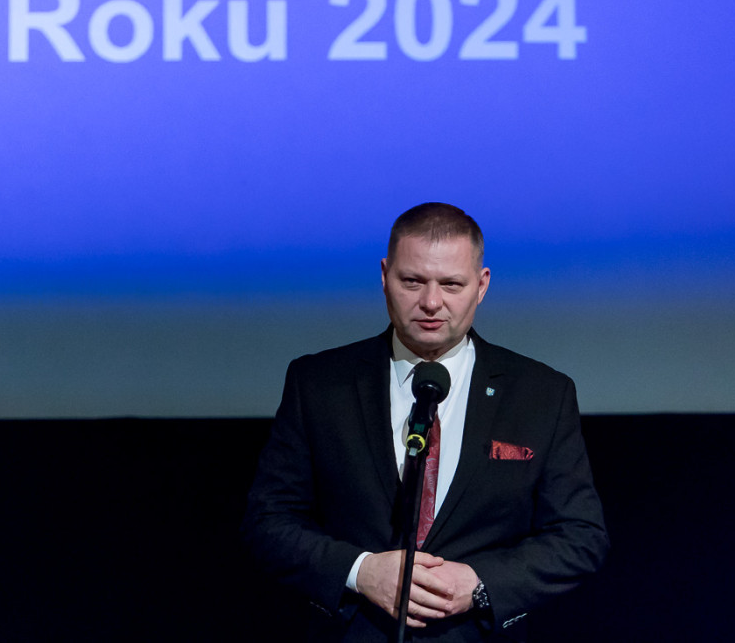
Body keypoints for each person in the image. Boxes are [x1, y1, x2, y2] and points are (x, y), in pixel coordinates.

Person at [242, 203, 609, 642]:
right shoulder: (319, 384)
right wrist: (361, 571)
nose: (431, 302)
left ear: (481, 285)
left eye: (451, 284)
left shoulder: (541, 394)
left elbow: (580, 536)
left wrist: (480, 583)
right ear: (384, 276)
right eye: (412, 281)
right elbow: (269, 521)